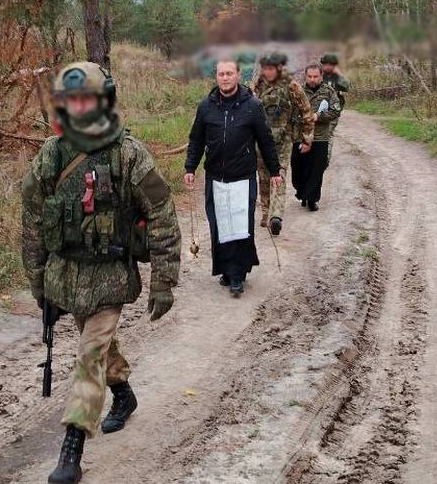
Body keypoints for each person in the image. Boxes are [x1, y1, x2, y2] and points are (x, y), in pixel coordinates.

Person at [22, 62, 181, 484]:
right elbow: (34, 219)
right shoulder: (52, 154)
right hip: (68, 277)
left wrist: (164, 280)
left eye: (86, 99)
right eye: (71, 101)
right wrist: (38, 281)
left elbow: (162, 214)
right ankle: (124, 396)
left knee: (89, 354)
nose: (79, 108)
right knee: (101, 351)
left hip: (110, 275)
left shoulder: (129, 153)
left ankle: (71, 449)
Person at [184, 60, 282, 297]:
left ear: (238, 75)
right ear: (216, 77)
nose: (225, 78)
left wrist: (275, 171)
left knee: (240, 225)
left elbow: (265, 140)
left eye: (229, 73)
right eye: (221, 74)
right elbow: (196, 139)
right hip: (216, 176)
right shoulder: (206, 106)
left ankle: (238, 274)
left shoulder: (252, 106)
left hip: (242, 177)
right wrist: (190, 167)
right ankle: (226, 270)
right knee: (219, 225)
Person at [249, 52, 314, 234]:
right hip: (261, 139)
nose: (267, 72)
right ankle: (265, 212)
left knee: (279, 174)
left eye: (271, 69)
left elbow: (307, 113)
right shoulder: (257, 85)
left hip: (284, 139)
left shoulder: (292, 87)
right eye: (265, 69)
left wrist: (307, 139)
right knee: (262, 176)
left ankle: (275, 216)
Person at [291, 64, 341, 211]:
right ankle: (302, 193)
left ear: (321, 77)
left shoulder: (328, 91)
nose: (312, 79)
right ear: (305, 76)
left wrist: (318, 116)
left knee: (316, 170)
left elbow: (335, 110)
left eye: (315, 76)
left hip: (320, 137)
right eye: (310, 76)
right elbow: (290, 111)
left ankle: (312, 199)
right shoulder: (297, 91)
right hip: (300, 137)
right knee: (298, 168)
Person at [320, 53, 352, 161]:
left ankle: (325, 158)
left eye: (331, 65)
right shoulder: (318, 75)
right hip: (317, 111)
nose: (328, 67)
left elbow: (348, 86)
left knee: (328, 134)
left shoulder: (337, 78)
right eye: (326, 64)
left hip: (333, 112)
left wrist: (339, 74)